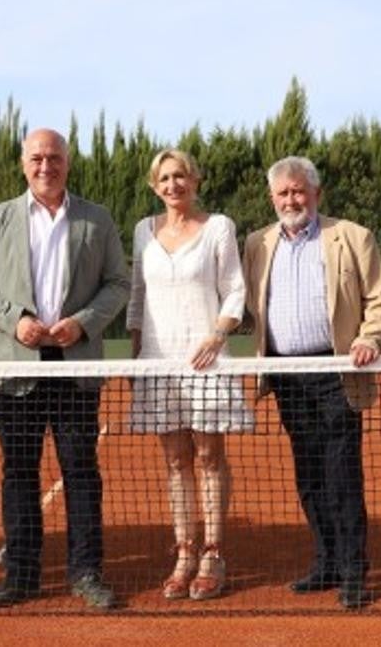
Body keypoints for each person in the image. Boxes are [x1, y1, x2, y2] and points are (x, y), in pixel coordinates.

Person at [0, 128, 130, 610]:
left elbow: (118, 282)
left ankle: (86, 573)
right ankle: (23, 576)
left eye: (54, 158)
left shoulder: (97, 219)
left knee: (80, 472)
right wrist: (16, 322)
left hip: (75, 368)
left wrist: (84, 323)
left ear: (67, 163)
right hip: (16, 370)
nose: (45, 166)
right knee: (19, 474)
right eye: (36, 158)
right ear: (23, 163)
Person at [242, 155, 381, 609]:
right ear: (272, 199)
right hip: (287, 377)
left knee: (341, 473)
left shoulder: (352, 236)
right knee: (308, 474)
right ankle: (326, 561)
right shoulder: (256, 243)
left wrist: (369, 338)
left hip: (336, 372)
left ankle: (353, 572)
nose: (292, 199)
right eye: (283, 193)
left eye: (299, 191)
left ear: (316, 193)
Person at [125, 149, 249, 601]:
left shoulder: (219, 227)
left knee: (209, 455)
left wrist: (218, 335)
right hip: (158, 359)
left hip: (206, 357)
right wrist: (137, 358)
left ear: (195, 180)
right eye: (165, 178)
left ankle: (213, 552)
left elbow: (235, 288)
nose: (173, 185)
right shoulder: (143, 231)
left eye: (181, 176)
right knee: (175, 459)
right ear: (154, 185)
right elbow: (137, 297)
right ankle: (184, 552)